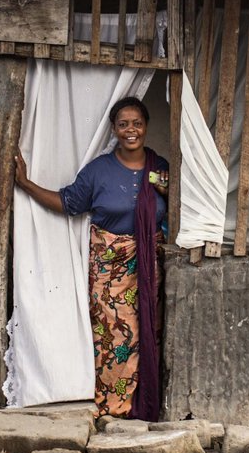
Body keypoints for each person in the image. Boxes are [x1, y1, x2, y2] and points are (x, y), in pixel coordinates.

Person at [14, 96, 169, 420]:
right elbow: (68, 201)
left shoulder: (161, 170)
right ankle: (115, 408)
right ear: (114, 129)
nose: (131, 130)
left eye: (137, 123)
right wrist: (26, 184)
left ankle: (143, 403)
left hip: (150, 269)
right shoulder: (99, 171)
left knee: (150, 333)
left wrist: (172, 193)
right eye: (124, 124)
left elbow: (184, 209)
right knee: (114, 336)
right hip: (109, 271)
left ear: (146, 127)